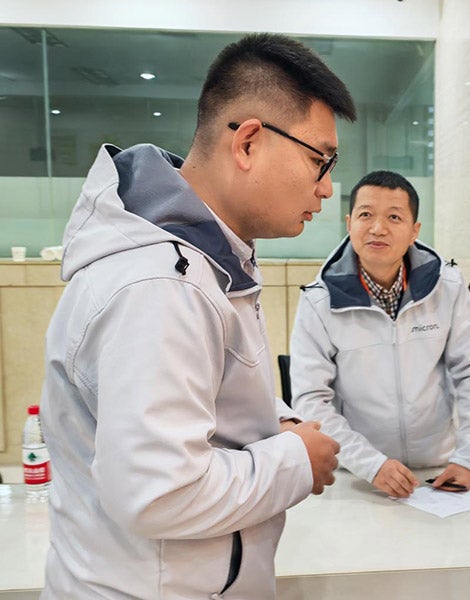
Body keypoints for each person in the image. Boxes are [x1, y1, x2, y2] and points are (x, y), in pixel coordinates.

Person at [38, 34, 354, 599]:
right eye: (319, 160)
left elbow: (214, 395)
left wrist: (274, 423)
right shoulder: (160, 284)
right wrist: (294, 461)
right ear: (250, 142)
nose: (328, 188)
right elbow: (158, 492)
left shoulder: (204, 257)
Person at [290, 170, 470, 498]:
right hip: (357, 475)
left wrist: (467, 458)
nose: (378, 228)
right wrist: (371, 464)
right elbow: (311, 398)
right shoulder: (319, 300)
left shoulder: (448, 288)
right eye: (365, 215)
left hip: (437, 470)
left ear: (414, 231)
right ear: (349, 222)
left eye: (394, 217)